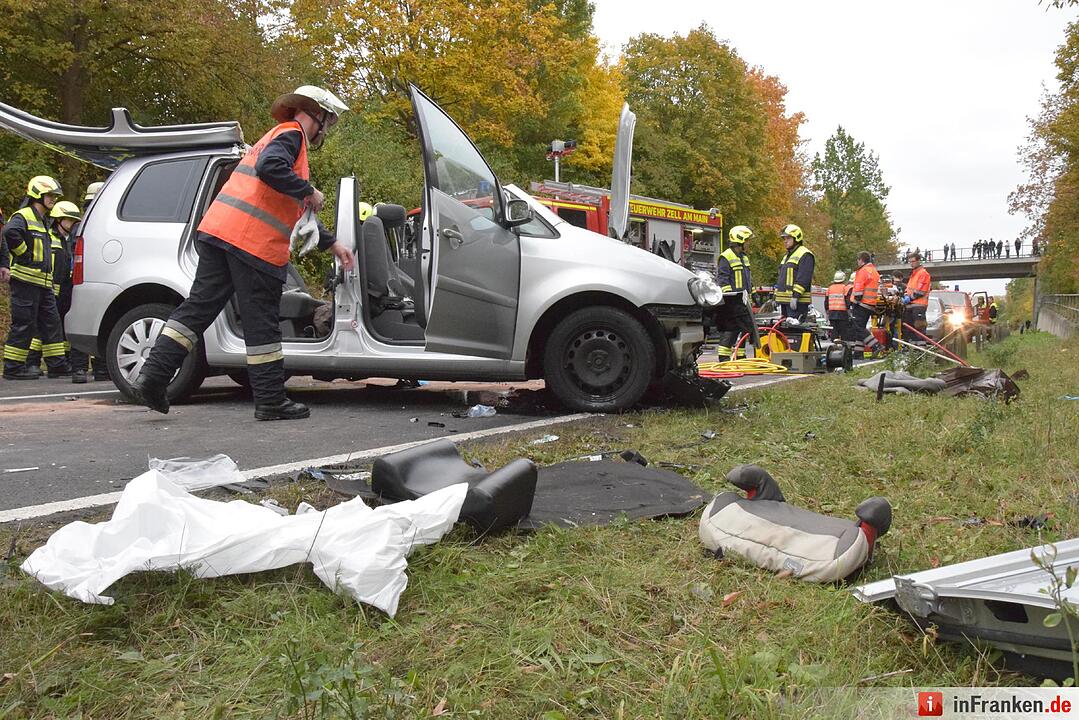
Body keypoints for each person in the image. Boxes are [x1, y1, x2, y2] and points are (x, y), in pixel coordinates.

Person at [130, 85, 355, 420]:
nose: (328, 129)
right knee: (261, 322)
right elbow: (270, 168)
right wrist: (308, 189)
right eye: (329, 121)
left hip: (220, 232)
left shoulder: (276, 138)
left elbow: (291, 210)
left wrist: (332, 243)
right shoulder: (292, 135)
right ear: (317, 114)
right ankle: (270, 400)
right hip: (252, 244)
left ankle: (153, 376)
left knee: (198, 309)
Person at [2, 176, 71, 380]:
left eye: (54, 196)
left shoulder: (42, 219)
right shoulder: (23, 215)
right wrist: (24, 253)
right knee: (24, 323)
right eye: (50, 195)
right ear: (37, 195)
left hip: (42, 282)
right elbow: (9, 232)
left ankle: (57, 365)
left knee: (52, 323)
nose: (53, 199)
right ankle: (13, 368)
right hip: (25, 280)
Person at [713, 225, 755, 359]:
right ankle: (723, 360)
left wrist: (753, 294)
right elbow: (723, 281)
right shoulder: (726, 257)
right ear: (740, 240)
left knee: (743, 331)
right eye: (747, 241)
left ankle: (741, 358)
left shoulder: (744, 257)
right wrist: (730, 301)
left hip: (743, 302)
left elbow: (747, 279)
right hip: (732, 303)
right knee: (730, 332)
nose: (748, 244)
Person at [774, 224, 814, 321]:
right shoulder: (787, 256)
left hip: (797, 303)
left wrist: (796, 296)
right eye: (784, 239)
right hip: (785, 302)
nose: (785, 241)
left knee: (794, 329)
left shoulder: (805, 254)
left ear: (797, 238)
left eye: (788, 238)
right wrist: (775, 297)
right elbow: (781, 278)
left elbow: (803, 278)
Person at [850, 251, 883, 357]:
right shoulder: (874, 271)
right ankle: (858, 352)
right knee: (861, 328)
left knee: (858, 327)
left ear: (861, 260)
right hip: (870, 303)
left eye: (858, 260)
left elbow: (859, 287)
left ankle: (875, 345)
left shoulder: (862, 271)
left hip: (861, 303)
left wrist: (855, 301)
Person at [901, 251, 931, 336]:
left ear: (918, 261)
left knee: (919, 329)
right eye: (910, 262)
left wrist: (909, 298)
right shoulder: (914, 274)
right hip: (911, 306)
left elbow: (920, 291)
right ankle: (913, 344)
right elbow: (908, 289)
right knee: (910, 331)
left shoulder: (923, 274)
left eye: (913, 261)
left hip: (919, 306)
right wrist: (905, 295)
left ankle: (920, 344)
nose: (911, 264)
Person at [825, 270, 851, 342]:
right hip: (842, 313)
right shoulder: (845, 288)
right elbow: (847, 301)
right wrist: (849, 311)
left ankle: (834, 345)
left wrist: (827, 311)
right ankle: (844, 346)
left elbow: (826, 302)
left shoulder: (829, 288)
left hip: (832, 313)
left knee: (834, 332)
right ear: (843, 279)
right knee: (844, 332)